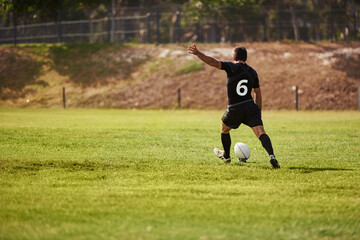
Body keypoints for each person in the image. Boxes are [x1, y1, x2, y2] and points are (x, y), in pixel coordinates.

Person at [187, 44, 280, 169]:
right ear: (246, 58)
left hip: (235, 107)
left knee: (224, 129)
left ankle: (226, 156)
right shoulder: (252, 72)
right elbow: (257, 92)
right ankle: (272, 156)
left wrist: (198, 53)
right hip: (250, 106)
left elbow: (213, 62)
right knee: (260, 132)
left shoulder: (231, 66)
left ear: (234, 57)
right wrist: (258, 111)